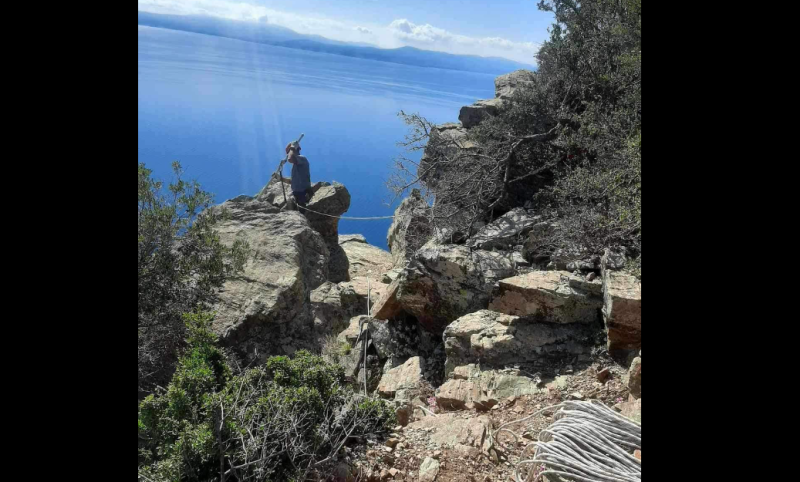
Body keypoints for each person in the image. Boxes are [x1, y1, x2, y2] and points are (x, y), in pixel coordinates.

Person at [286, 142, 311, 209]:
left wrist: (292, 148)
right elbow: (292, 181)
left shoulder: (302, 159)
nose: (288, 153)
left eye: (289, 151)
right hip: (296, 194)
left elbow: (290, 159)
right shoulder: (296, 167)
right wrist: (279, 178)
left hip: (302, 193)